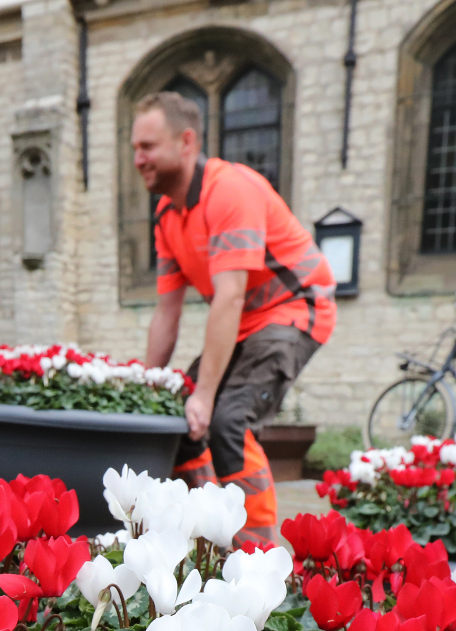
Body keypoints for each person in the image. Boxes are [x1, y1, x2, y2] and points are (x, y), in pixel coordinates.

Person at [132, 90, 335, 545]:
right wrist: (148, 386)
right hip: (245, 320)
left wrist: (205, 397)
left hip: (295, 309)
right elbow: (167, 313)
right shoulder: (167, 215)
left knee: (227, 421)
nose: (137, 159)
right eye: (134, 149)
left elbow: (229, 296)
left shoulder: (230, 191)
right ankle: (202, 535)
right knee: (178, 416)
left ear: (186, 142)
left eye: (147, 147)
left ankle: (257, 553)